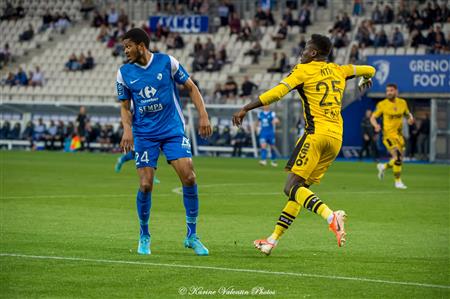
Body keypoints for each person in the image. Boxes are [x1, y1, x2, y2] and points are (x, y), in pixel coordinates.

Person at [232, 34, 376, 255]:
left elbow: (277, 93)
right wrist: (363, 80)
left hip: (315, 135)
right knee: (299, 191)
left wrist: (246, 108)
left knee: (290, 188)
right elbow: (370, 70)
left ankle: (331, 216)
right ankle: (272, 240)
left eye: (306, 49)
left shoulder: (302, 71)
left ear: (314, 53)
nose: (302, 53)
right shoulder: (340, 70)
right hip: (336, 139)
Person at [117, 28, 212, 256]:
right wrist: (127, 130)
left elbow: (191, 87)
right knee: (145, 184)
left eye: (128, 46)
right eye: (124, 48)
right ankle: (144, 235)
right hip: (144, 133)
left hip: (171, 129)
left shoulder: (167, 62)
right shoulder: (124, 73)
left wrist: (204, 115)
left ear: (141, 45)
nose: (126, 51)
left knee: (189, 176)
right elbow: (124, 106)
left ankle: (191, 236)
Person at [371, 83, 414, 189]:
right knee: (398, 156)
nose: (389, 93)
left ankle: (383, 166)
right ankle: (398, 182)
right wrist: (376, 125)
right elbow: (372, 117)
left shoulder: (402, 103)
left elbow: (407, 114)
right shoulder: (382, 104)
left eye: (391, 90)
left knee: (398, 159)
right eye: (387, 91)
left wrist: (410, 119)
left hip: (399, 136)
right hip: (388, 136)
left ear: (396, 91)